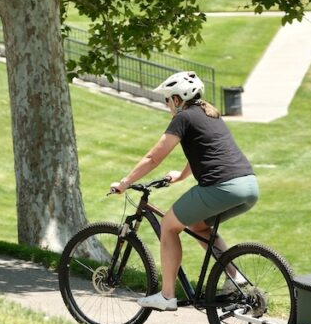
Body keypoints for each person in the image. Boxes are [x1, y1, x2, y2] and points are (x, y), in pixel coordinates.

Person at [110, 71, 257, 311]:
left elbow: (153, 157)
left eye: (167, 99)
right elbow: (205, 151)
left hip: (222, 187)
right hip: (248, 186)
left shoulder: (183, 118)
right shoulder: (211, 114)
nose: (166, 104)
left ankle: (167, 296)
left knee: (169, 225)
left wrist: (125, 182)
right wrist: (181, 175)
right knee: (199, 227)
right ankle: (236, 278)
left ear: (177, 99)